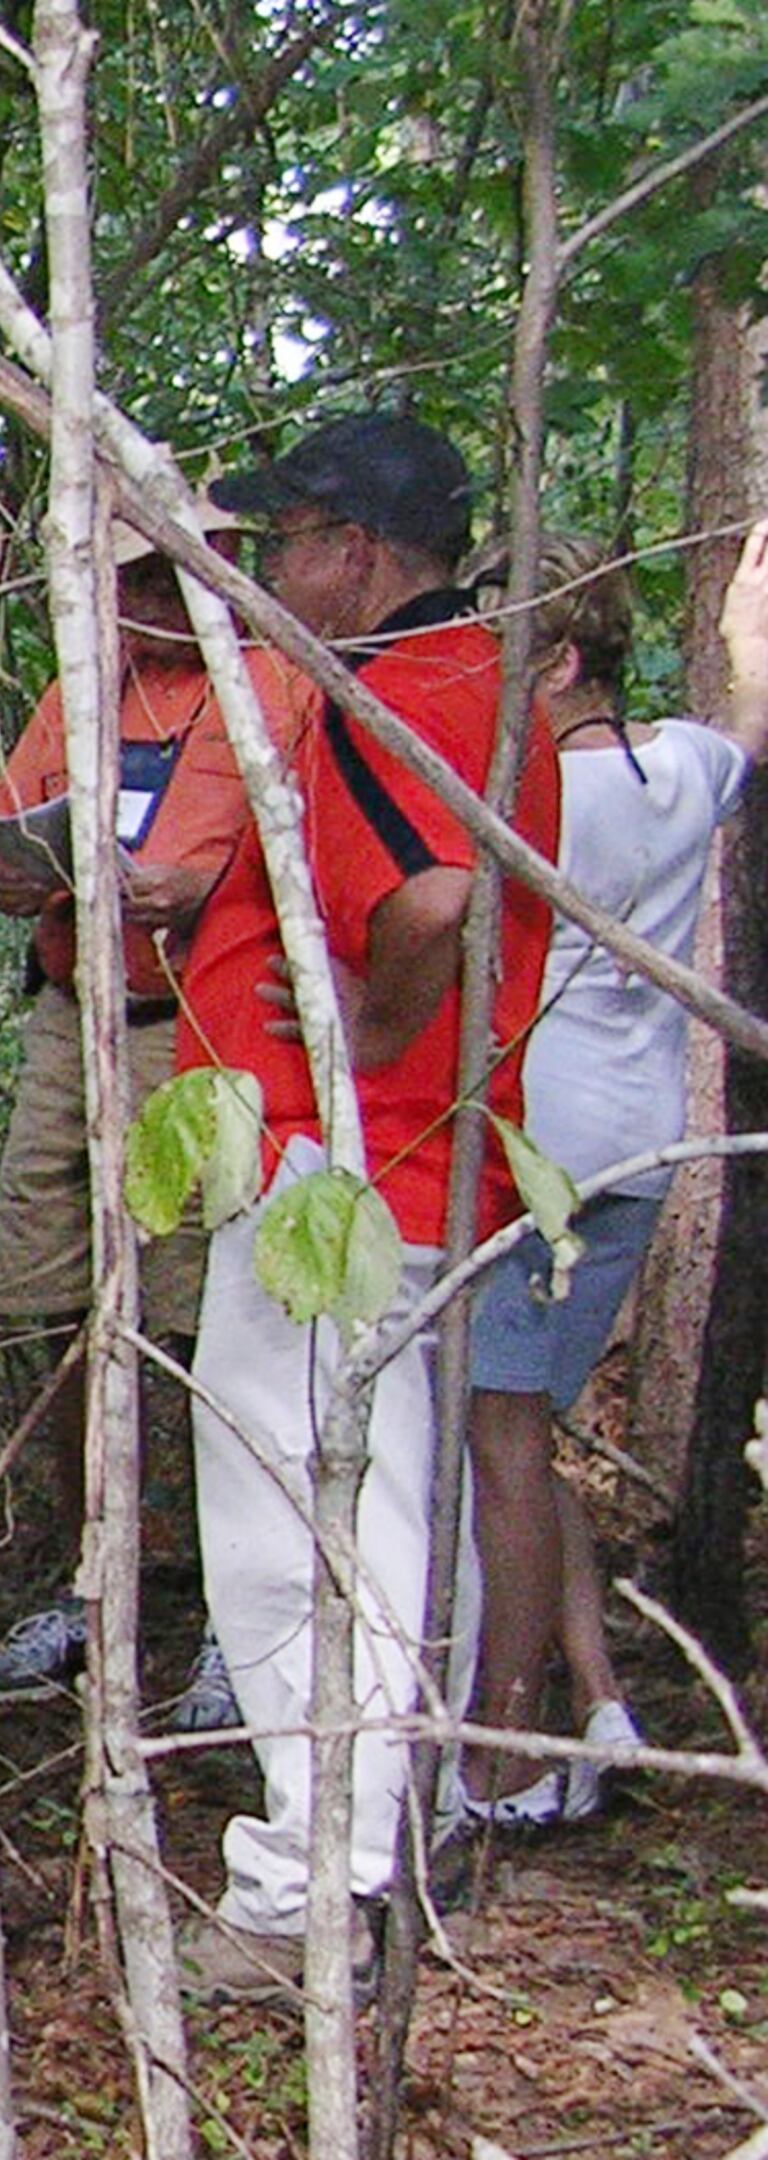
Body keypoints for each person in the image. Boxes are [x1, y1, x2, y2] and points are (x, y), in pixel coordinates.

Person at [168, 411, 562, 2000]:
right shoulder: (479, 682)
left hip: (351, 1170)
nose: (272, 572)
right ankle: (384, 1843)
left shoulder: (401, 688)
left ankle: (308, 1892)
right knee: (387, 1512)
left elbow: (436, 900)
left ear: (354, 548)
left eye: (286, 543)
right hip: (413, 1165)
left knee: (293, 1523)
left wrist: (372, 1039)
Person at [0, 505, 322, 1734]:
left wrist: (209, 893)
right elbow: (11, 823)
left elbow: (324, 866)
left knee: (204, 1328)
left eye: (176, 574)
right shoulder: (82, 690)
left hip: (206, 1032)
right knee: (53, 1304)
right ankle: (89, 1578)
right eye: (134, 577)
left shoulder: (277, 686)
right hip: (77, 1014)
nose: (156, 600)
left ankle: (240, 1620)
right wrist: (18, 866)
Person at [456, 527, 768, 1827]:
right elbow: (746, 723)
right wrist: (749, 631)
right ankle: (598, 1705)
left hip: (540, 1149)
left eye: (504, 649)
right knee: (521, 1437)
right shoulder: (682, 772)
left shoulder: (528, 803)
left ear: (567, 657)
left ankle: (506, 1761)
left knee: (502, 1447)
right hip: (637, 1150)